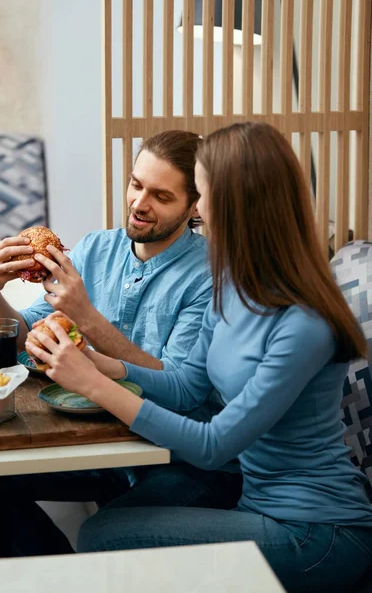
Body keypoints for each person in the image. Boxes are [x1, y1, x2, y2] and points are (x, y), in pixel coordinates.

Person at [27, 122, 372, 593]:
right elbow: (187, 385)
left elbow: (215, 445)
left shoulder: (305, 324)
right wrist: (94, 361)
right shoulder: (232, 286)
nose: (199, 209)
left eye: (202, 193)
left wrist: (93, 385)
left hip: (317, 532)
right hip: (258, 507)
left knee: (102, 535)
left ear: (233, 203)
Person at [0, 130, 242, 558]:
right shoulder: (98, 248)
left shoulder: (212, 274)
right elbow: (30, 343)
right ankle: (52, 577)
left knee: (105, 533)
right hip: (104, 448)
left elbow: (182, 391)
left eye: (161, 195)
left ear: (195, 205)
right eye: (136, 184)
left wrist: (87, 318)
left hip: (181, 461)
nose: (139, 203)